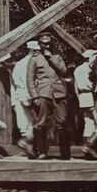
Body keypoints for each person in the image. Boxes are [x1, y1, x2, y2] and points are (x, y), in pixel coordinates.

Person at [36, 31, 72, 160]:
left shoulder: (57, 57)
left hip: (59, 92)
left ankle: (65, 153)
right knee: (41, 123)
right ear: (39, 44)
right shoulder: (35, 58)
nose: (46, 46)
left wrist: (50, 56)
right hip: (43, 93)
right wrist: (35, 96)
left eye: (48, 43)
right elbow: (30, 78)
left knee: (62, 122)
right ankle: (42, 151)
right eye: (44, 44)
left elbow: (63, 70)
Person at [73, 49, 97, 159]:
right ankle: (89, 145)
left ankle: (86, 150)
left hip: (82, 97)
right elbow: (94, 84)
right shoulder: (90, 69)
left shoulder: (77, 69)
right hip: (91, 96)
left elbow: (75, 87)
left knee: (88, 123)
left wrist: (79, 98)